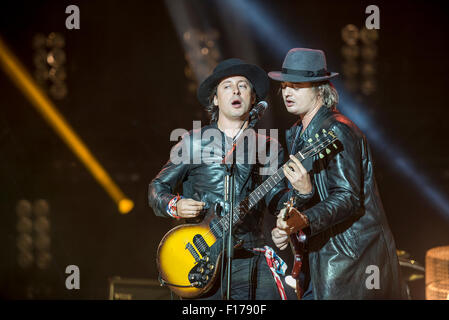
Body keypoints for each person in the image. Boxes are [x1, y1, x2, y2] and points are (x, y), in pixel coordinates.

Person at [269, 48, 407, 299]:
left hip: (348, 258)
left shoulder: (337, 130)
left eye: (297, 85)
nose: (287, 92)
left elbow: (347, 197)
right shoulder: (298, 133)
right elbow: (308, 192)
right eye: (285, 85)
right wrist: (287, 224)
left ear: (319, 88)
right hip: (317, 257)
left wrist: (304, 220)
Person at [148, 58, 292, 300]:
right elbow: (156, 188)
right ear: (215, 99)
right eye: (227, 86)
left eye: (243, 86)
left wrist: (300, 194)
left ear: (253, 98)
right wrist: (175, 204)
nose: (236, 90)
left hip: (250, 253)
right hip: (201, 256)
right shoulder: (193, 142)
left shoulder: (268, 147)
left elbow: (277, 199)